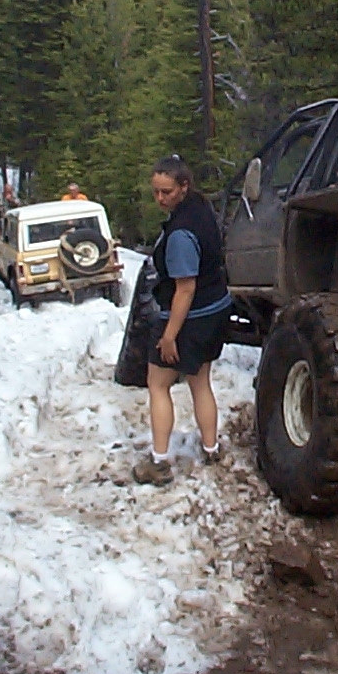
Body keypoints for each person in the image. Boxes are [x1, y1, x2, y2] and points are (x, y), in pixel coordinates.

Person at [133, 155, 231, 486]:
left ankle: (159, 462)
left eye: (167, 192)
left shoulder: (180, 234)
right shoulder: (200, 208)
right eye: (156, 192)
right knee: (200, 381)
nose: (160, 198)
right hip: (216, 307)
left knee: (158, 385)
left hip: (191, 316)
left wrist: (169, 336)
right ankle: (211, 448)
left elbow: (185, 289)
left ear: (183, 186)